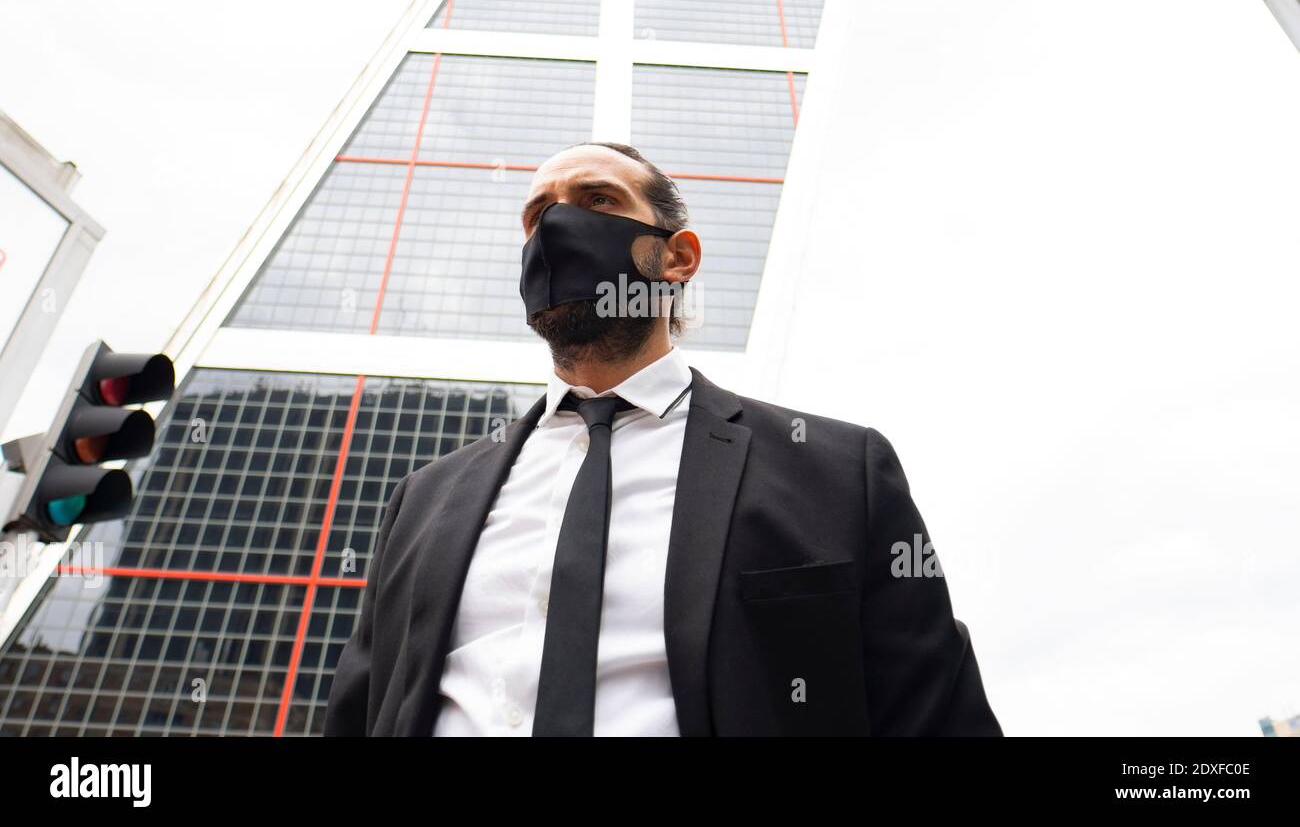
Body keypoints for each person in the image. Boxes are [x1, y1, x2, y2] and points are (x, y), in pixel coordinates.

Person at [324, 141, 1001, 736]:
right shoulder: (425, 499)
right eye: (538, 216)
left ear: (677, 257)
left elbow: (935, 717)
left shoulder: (837, 474)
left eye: (597, 199)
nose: (558, 226)